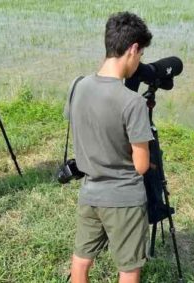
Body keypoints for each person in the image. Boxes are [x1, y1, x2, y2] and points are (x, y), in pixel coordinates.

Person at [65, 11, 153, 283]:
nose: (139, 61)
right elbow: (140, 166)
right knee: (128, 268)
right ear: (133, 49)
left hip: (90, 193)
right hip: (123, 198)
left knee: (81, 259)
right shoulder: (133, 102)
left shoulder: (77, 85)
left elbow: (86, 127)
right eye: (140, 54)